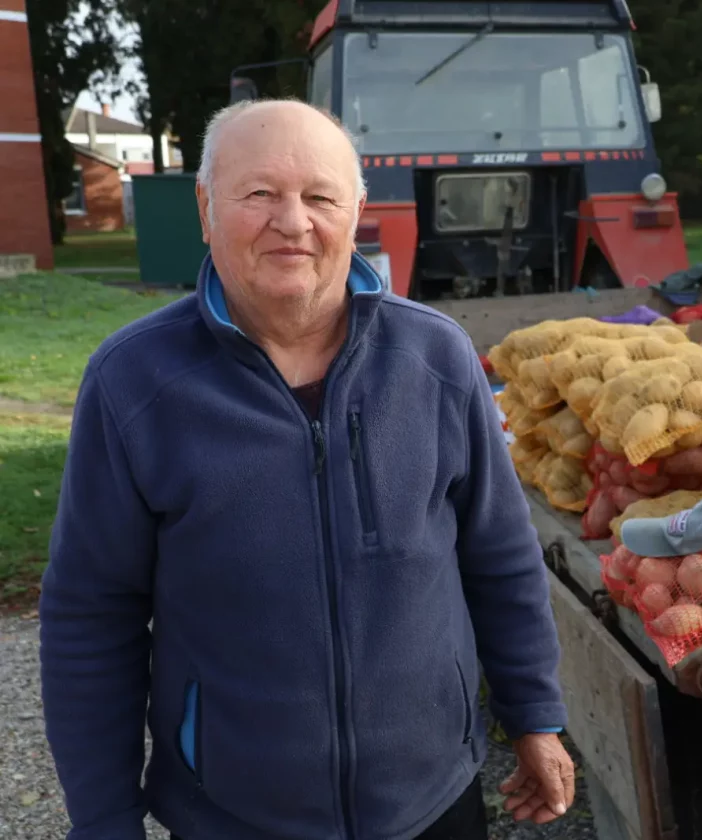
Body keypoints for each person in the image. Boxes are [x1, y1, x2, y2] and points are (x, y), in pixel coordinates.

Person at [39, 98, 574, 840]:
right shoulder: (134, 384)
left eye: (319, 196)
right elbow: (92, 616)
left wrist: (535, 717)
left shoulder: (437, 359)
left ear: (355, 212)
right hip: (233, 815)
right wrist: (104, 819)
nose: (292, 222)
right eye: (259, 194)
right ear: (205, 207)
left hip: (431, 802)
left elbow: (499, 554)